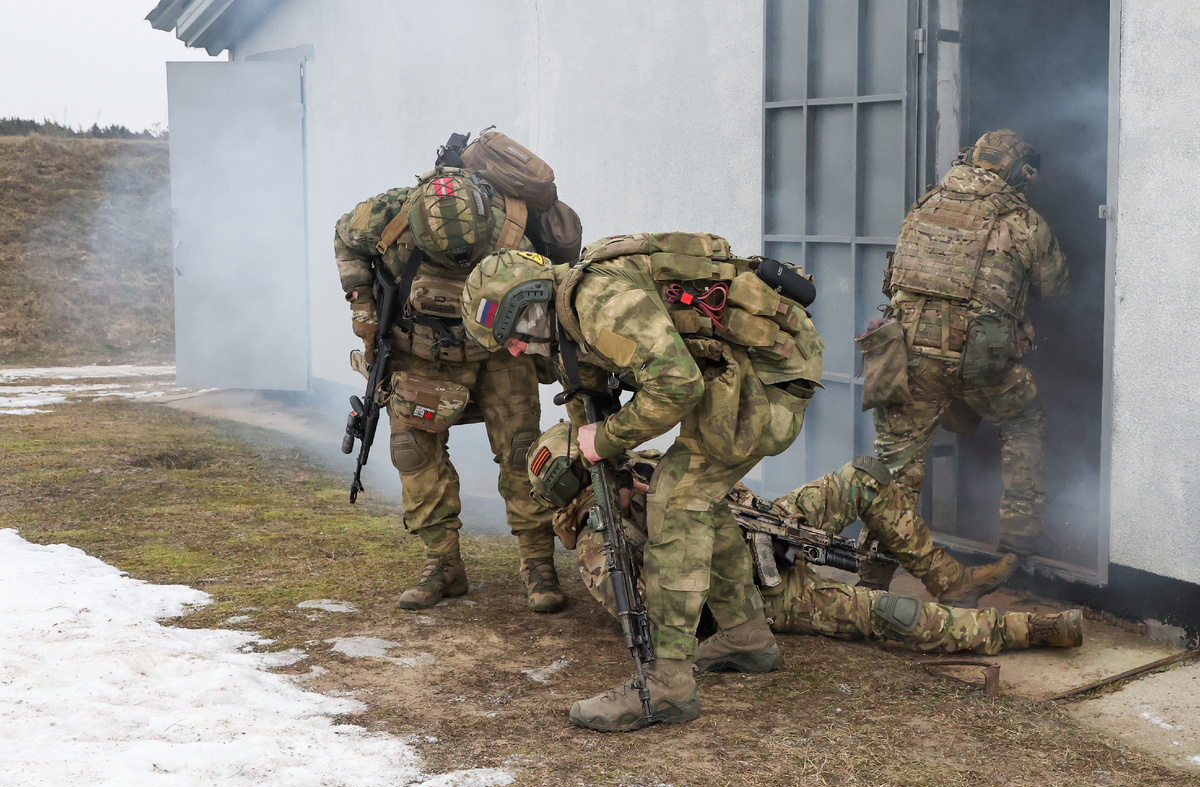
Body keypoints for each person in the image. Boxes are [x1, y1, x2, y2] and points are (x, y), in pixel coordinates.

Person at [461, 233, 822, 731]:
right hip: (730, 370)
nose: (517, 351)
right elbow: (588, 402)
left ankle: (667, 686)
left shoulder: (600, 304)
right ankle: (746, 637)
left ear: (529, 305)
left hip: (768, 373)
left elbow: (677, 385)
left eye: (513, 336)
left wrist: (608, 439)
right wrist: (613, 471)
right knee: (701, 497)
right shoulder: (567, 323)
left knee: (676, 501)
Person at [525, 421, 1082, 662]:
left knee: (864, 477)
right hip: (753, 595)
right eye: (603, 467)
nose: (618, 465)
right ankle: (1025, 630)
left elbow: (719, 482)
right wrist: (733, 556)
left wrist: (762, 524)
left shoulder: (637, 465)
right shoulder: (600, 550)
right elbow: (667, 622)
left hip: (770, 526)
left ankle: (951, 580)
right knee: (889, 615)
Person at [334, 155, 572, 614]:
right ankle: (442, 563)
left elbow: (552, 286)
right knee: (413, 452)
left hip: (501, 353)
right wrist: (362, 306)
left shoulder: (512, 228)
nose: (457, 261)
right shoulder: (388, 215)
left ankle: (538, 563)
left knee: (523, 452)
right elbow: (345, 239)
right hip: (418, 351)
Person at [873, 129, 1069, 560]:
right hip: (982, 358)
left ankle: (875, 568)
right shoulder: (1025, 220)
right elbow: (1055, 286)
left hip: (910, 356)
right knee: (1024, 420)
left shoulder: (925, 205)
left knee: (896, 464)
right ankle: (1021, 533)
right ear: (1019, 172)